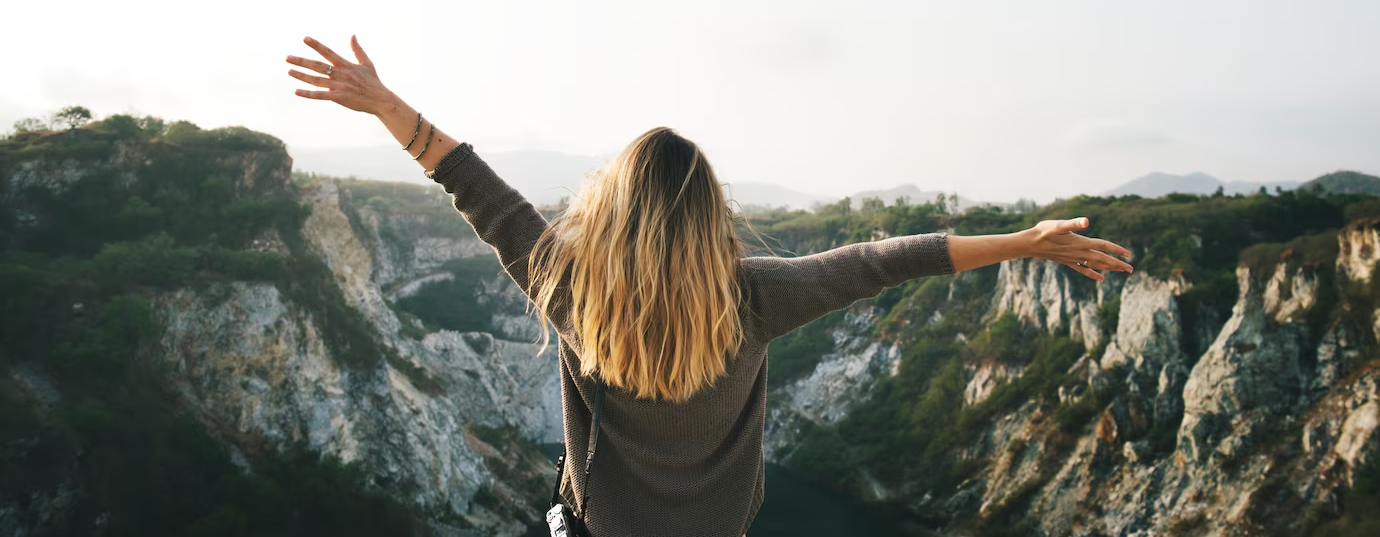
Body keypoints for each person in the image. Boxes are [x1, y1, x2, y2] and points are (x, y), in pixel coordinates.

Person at [286, 35, 1134, 537]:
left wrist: (388, 105)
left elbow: (474, 186)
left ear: (610, 212)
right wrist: (1026, 241)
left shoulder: (572, 290)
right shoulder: (755, 297)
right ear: (711, 216)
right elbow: (889, 258)